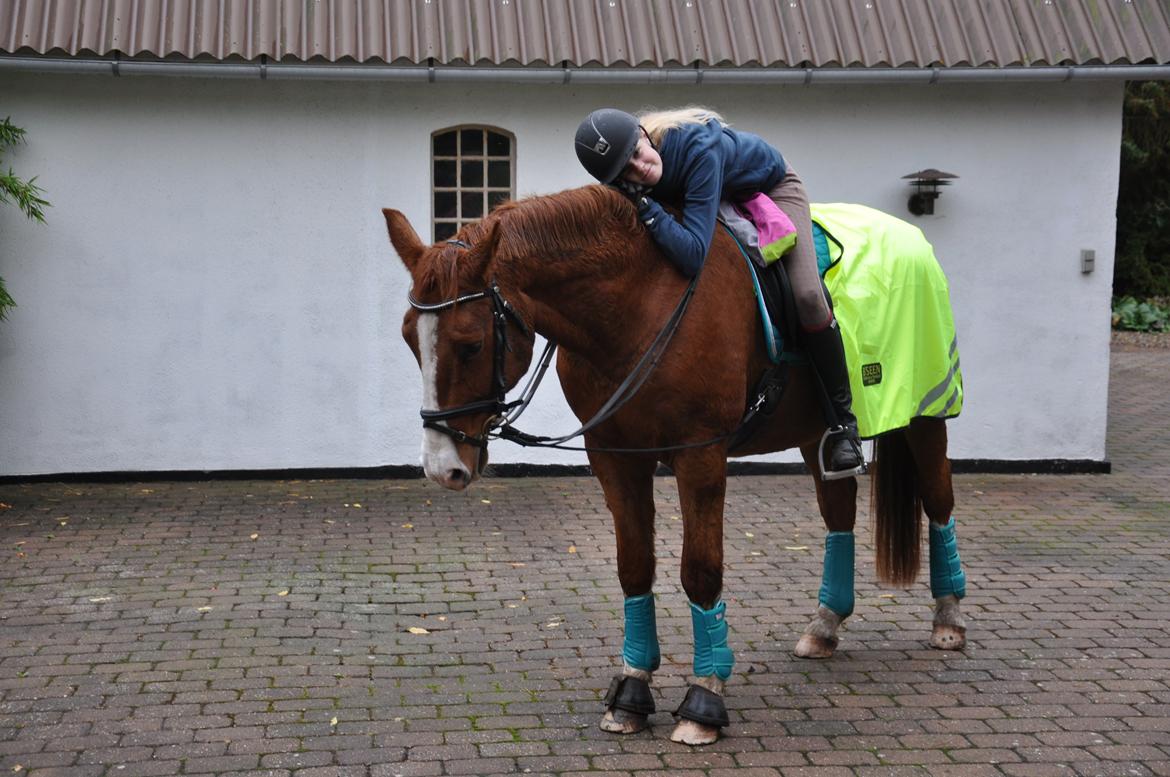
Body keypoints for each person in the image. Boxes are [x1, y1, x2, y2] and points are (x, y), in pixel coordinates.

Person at [573, 107, 864, 479]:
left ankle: (842, 424)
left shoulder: (697, 149)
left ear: (644, 136)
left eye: (636, 153)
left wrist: (645, 206)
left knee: (807, 294)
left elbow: (693, 255)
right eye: (625, 172)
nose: (640, 169)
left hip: (771, 189)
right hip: (713, 196)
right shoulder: (629, 179)